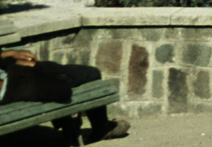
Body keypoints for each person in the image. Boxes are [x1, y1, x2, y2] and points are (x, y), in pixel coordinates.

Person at [0, 49, 129, 142]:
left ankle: (69, 125)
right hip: (44, 77)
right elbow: (62, 91)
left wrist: (9, 54)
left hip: (19, 72)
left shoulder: (12, 83)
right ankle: (101, 129)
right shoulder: (22, 89)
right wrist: (35, 65)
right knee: (92, 74)